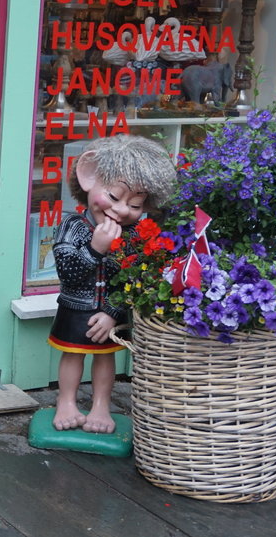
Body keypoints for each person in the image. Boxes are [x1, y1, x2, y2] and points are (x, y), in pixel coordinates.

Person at [49, 135, 176, 434]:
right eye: (114, 197)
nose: (121, 210)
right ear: (88, 178)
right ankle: (66, 402)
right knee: (72, 354)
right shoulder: (72, 226)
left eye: (135, 204)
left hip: (109, 313)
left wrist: (112, 312)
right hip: (75, 307)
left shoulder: (134, 234)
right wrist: (95, 248)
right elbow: (68, 273)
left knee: (105, 357)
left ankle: (101, 406)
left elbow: (134, 280)